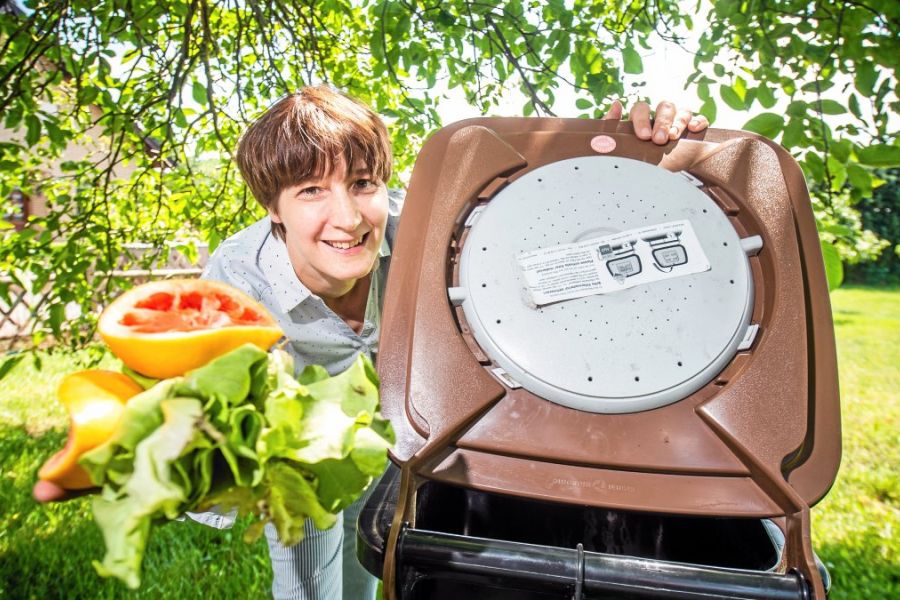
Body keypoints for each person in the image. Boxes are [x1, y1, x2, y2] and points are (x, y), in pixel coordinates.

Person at [34, 87, 708, 598]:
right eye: (311, 192)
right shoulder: (237, 279)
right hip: (306, 454)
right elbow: (212, 416)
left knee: (402, 568)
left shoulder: (428, 232)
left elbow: (546, 224)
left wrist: (635, 144)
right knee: (310, 577)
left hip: (417, 435)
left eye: (363, 184)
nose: (349, 216)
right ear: (273, 207)